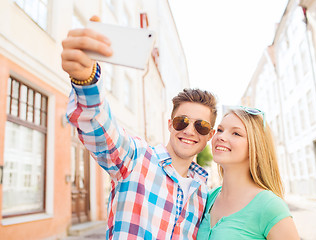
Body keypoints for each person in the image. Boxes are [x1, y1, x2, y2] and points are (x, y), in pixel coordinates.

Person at [61, 17, 217, 240]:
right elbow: (100, 127)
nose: (190, 131)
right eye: (182, 121)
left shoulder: (203, 193)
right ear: (170, 124)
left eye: (201, 126)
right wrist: (86, 79)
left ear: (210, 135)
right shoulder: (137, 158)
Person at [197, 106, 300, 240]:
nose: (221, 137)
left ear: (255, 147)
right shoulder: (208, 198)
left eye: (236, 133)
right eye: (220, 130)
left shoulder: (270, 206)